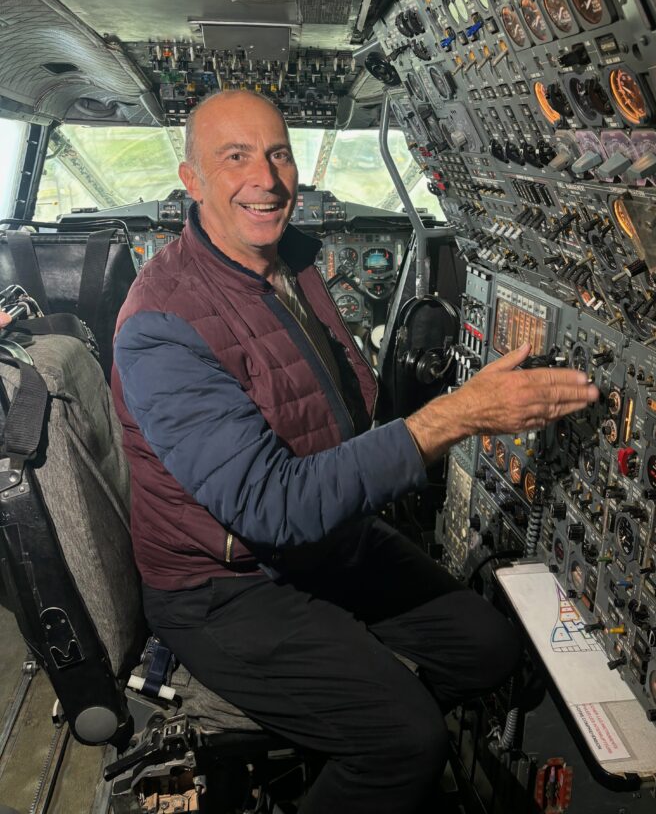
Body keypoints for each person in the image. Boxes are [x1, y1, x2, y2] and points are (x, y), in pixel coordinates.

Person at [102, 90, 596, 813]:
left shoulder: (292, 261)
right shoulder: (161, 323)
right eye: (234, 158)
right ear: (192, 180)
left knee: (488, 649)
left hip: (324, 541)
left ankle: (339, 736)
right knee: (405, 739)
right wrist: (453, 418)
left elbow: (335, 420)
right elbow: (270, 507)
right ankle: (373, 748)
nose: (265, 180)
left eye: (277, 153)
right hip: (222, 585)